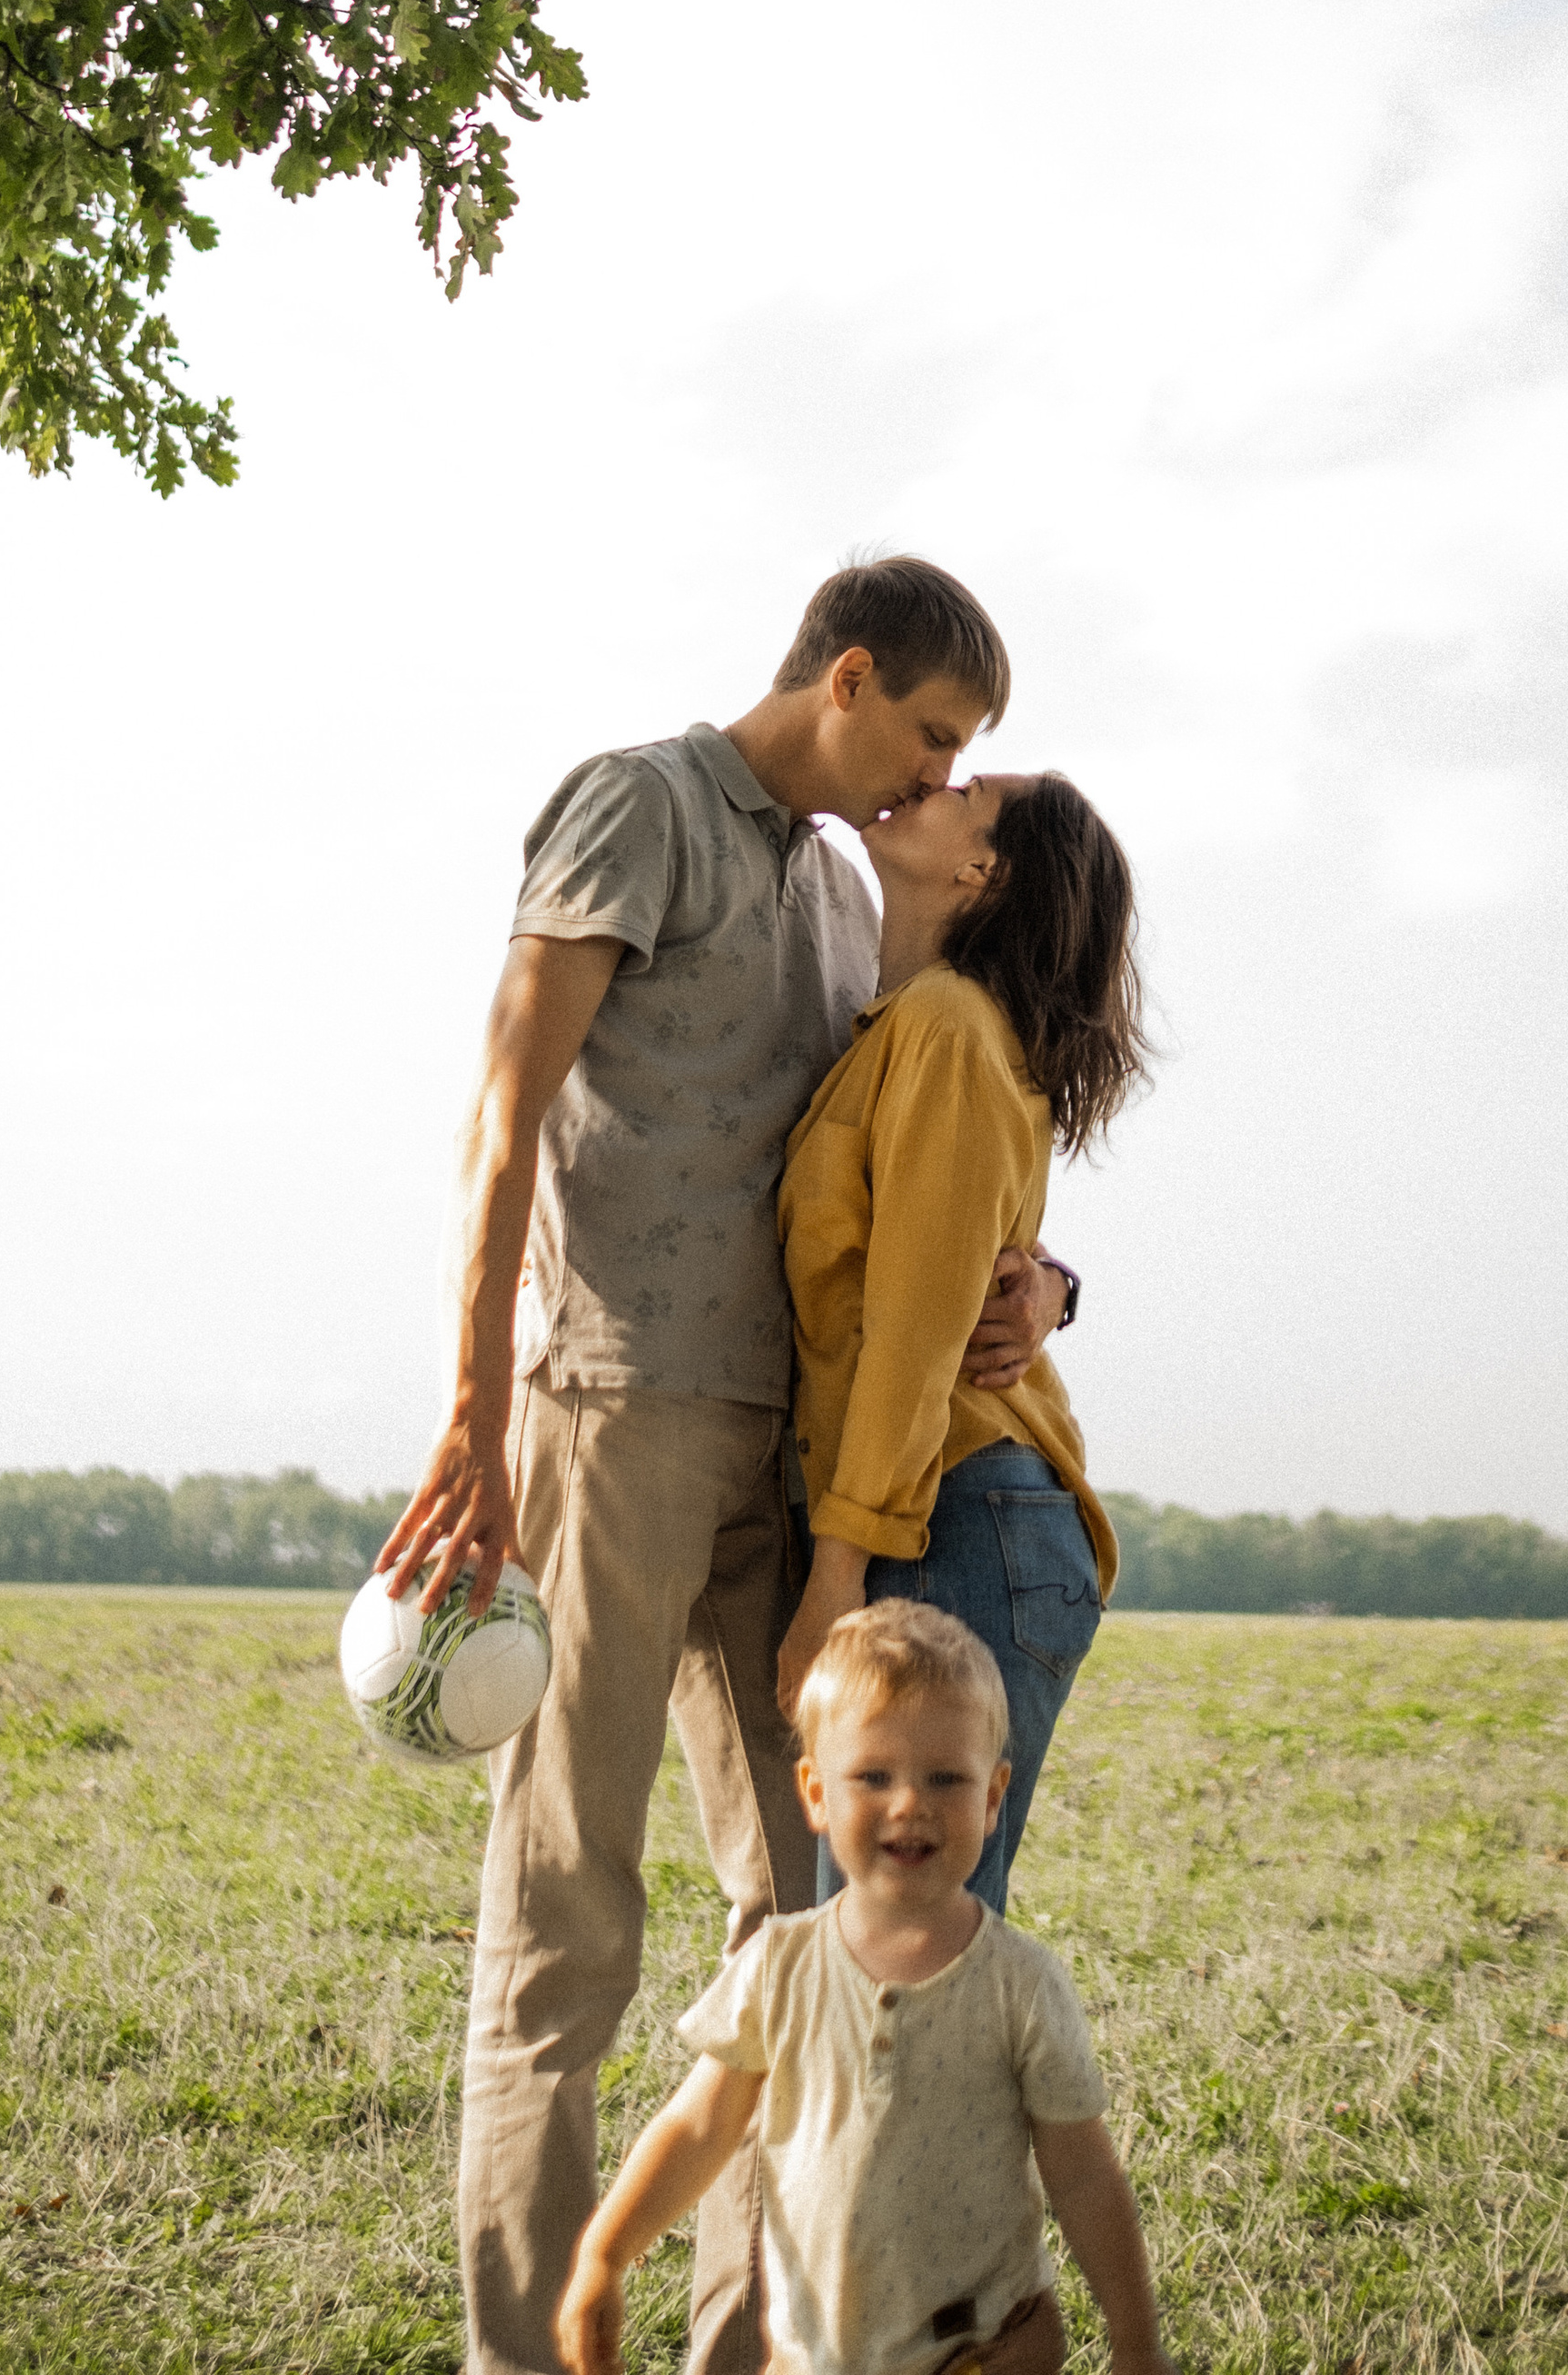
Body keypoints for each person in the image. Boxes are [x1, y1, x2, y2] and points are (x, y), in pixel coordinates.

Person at [375, 560, 1077, 2375]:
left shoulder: (843, 896)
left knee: (809, 1922)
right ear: (845, 677)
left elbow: (895, 1155)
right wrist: (472, 1407)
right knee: (563, 1931)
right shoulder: (638, 805)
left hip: (783, 1471)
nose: (931, 780)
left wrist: (1046, 1274)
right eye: (924, 736)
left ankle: (742, 2352)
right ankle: (522, 2353)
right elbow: (503, 1106)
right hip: (604, 1411)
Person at [555, 1600, 1176, 2375]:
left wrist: (1138, 2344)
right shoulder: (779, 1966)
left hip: (980, 2351)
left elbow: (1084, 2175)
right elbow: (697, 2128)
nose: (909, 1802)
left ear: (993, 1798)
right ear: (816, 1793)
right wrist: (605, 2255)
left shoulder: (1019, 1984)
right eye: (873, 1776)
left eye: (946, 1777)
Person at [774, 772, 1148, 1912]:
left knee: (912, 1946)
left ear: (982, 871)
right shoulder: (909, 1020)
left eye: (968, 789)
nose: (936, 781)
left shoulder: (944, 1029)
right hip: (948, 1519)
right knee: (898, 1943)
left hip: (952, 1525)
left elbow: (914, 1333)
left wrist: (835, 1572)